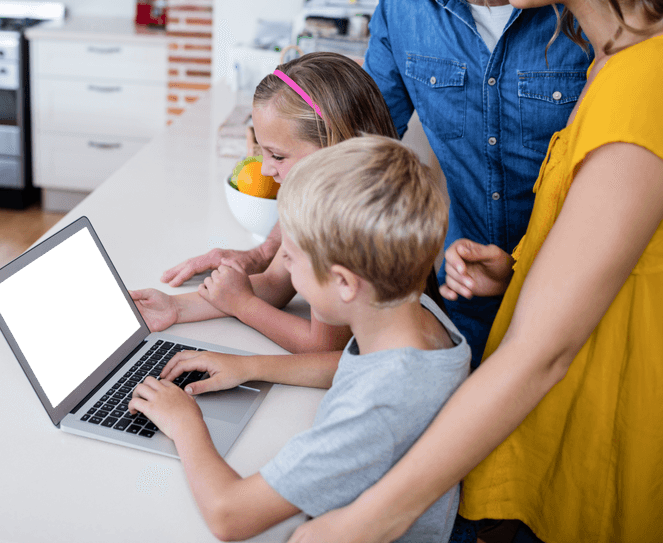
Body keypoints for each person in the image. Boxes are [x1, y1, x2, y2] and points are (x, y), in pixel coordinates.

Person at [290, 0, 663, 541]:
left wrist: (364, 522)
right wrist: (520, 269)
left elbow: (545, 351)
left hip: (618, 446)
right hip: (560, 427)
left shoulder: (653, 76)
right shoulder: (616, 56)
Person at [162, 0, 594, 366]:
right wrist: (269, 254)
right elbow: (351, 145)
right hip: (451, 308)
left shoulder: (583, 7)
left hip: (576, 310)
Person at [129, 136, 470, 542]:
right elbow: (353, 365)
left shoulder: (373, 408)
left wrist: (185, 424)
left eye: (290, 257)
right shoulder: (419, 317)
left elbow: (230, 516)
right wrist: (251, 366)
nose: (282, 267)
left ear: (343, 282)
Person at [132, 52, 404, 353]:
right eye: (262, 151)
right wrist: (175, 307)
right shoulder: (306, 199)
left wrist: (243, 305)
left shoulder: (342, 221)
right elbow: (275, 283)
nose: (264, 169)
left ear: (334, 145)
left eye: (277, 155)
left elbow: (322, 346)